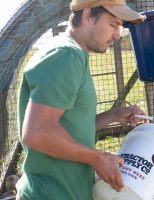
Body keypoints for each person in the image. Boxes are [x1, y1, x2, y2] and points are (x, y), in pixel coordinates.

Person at [16, 0, 146, 199]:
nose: (117, 35)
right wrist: (97, 158)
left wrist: (113, 115)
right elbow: (38, 133)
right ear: (87, 15)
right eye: (113, 23)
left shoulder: (74, 54)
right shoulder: (66, 55)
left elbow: (70, 127)